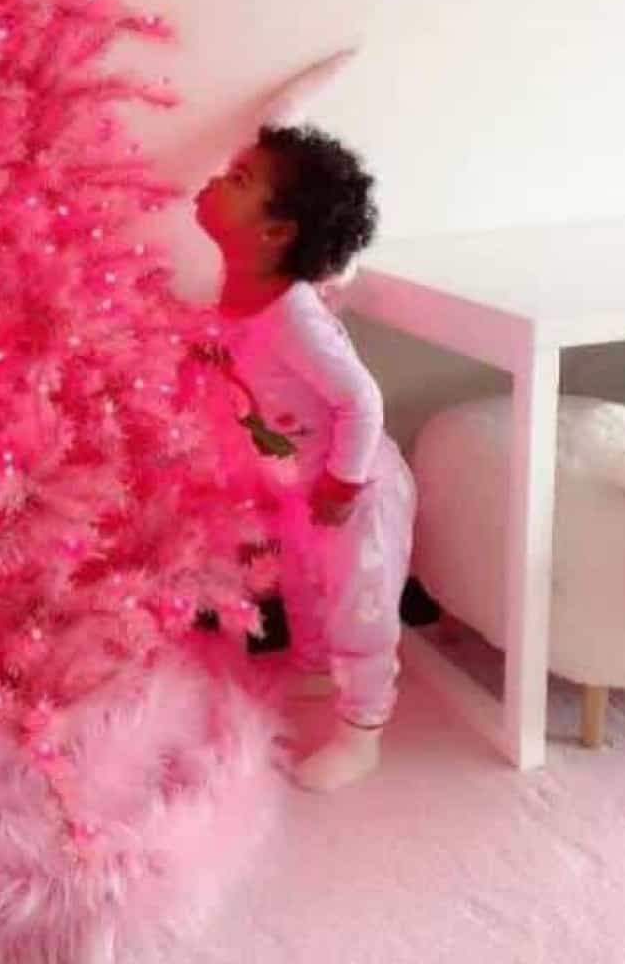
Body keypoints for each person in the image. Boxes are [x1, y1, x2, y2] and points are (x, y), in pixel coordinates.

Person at [194, 125, 415, 790]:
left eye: (238, 180)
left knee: (358, 609)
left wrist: (344, 484)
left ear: (275, 232)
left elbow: (361, 399)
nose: (215, 181)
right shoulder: (243, 291)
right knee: (301, 582)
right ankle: (317, 670)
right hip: (300, 485)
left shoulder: (293, 315)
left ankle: (361, 733)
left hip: (355, 491)